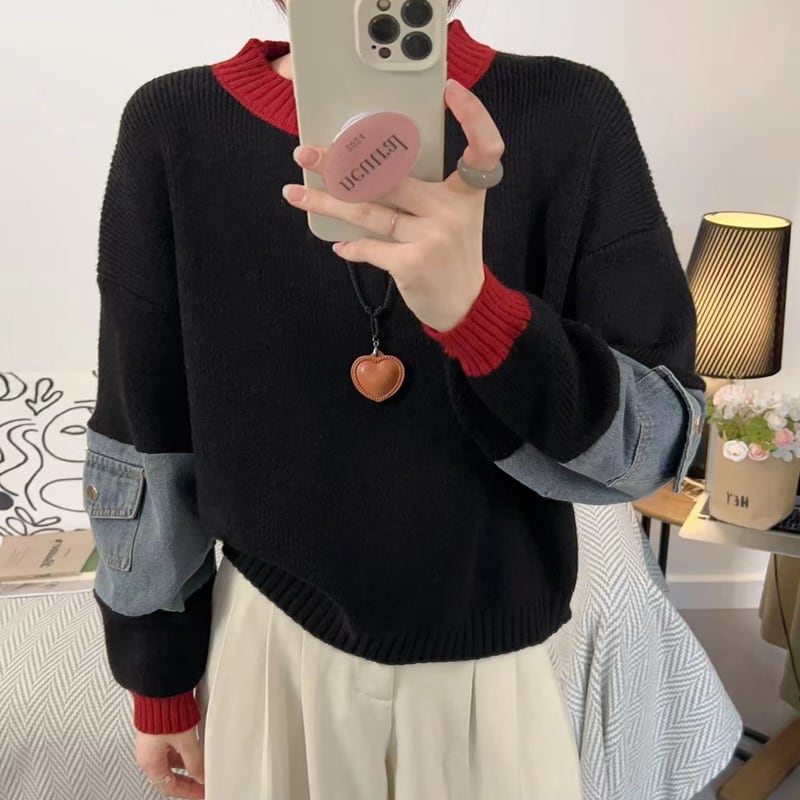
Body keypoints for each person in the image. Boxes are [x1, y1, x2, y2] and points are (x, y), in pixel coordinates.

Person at [83, 1, 707, 798]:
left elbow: (657, 448)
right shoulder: (176, 125)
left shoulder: (569, 113)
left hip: (494, 662)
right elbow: (144, 421)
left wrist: (480, 314)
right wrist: (159, 676)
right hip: (270, 643)